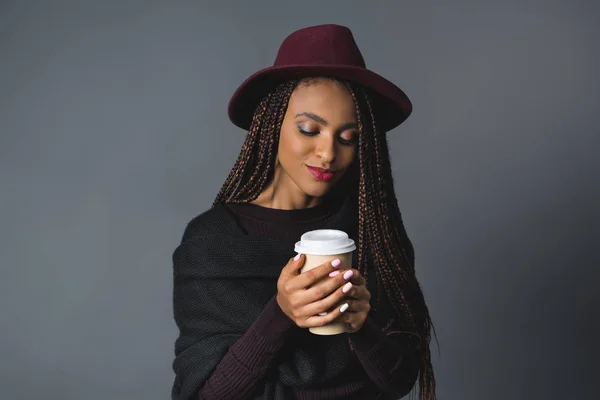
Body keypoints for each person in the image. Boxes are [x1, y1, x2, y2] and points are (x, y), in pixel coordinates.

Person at [171, 24, 436, 400]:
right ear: (271, 126)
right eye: (310, 129)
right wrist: (281, 313)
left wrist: (360, 325)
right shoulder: (214, 242)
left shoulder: (373, 231)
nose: (329, 153)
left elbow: (399, 380)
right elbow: (206, 394)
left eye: (349, 137)